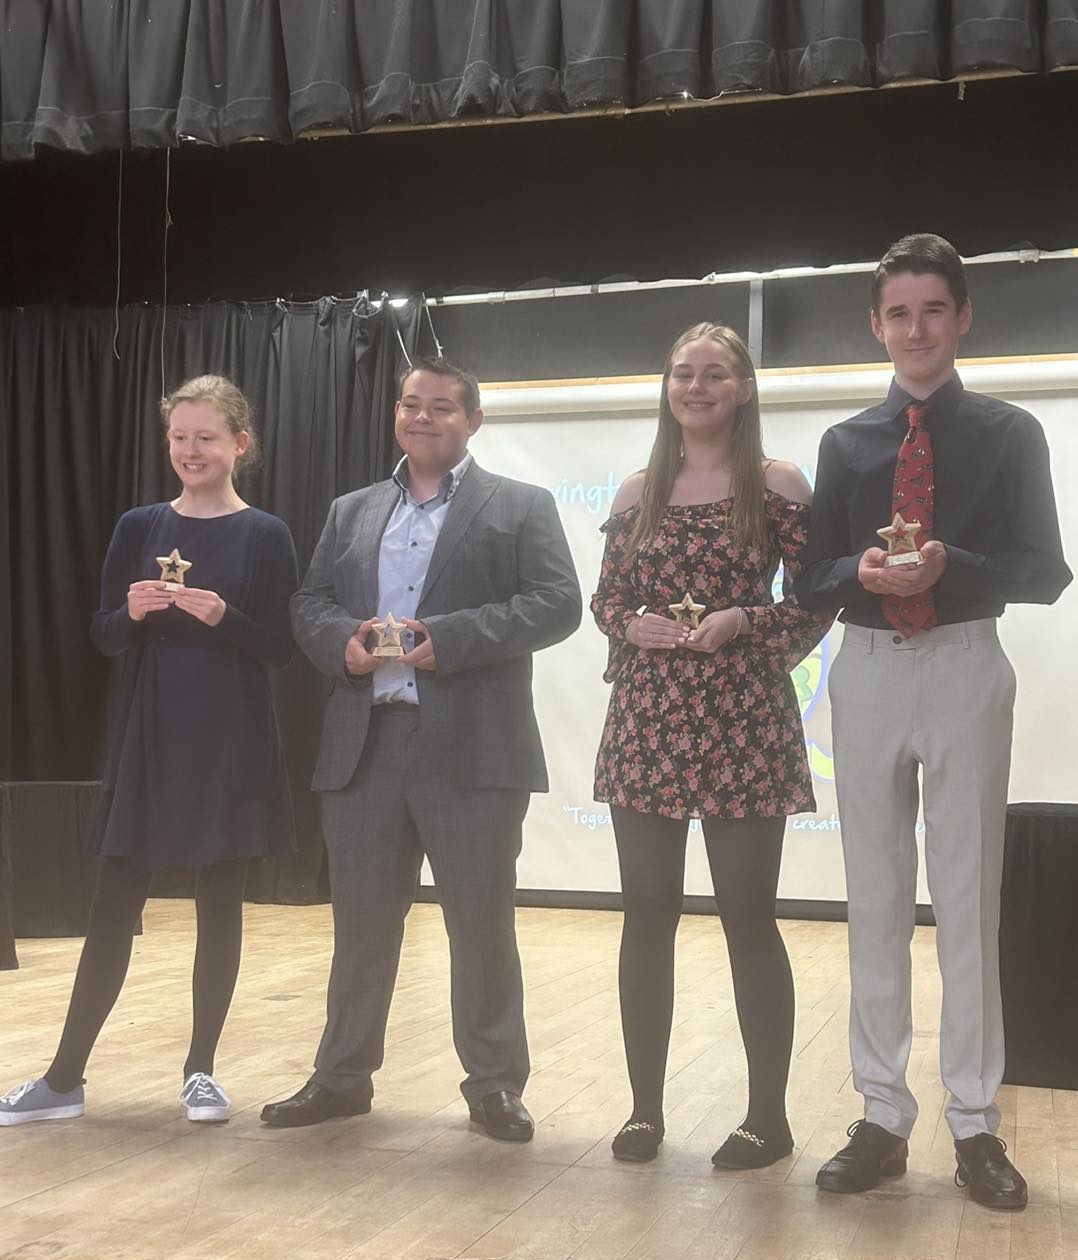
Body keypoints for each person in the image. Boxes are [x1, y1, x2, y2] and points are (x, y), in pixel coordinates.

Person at [796, 234, 1072, 1209]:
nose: (916, 329)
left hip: (963, 662)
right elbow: (811, 576)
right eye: (898, 313)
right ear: (876, 326)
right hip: (868, 667)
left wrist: (955, 563)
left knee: (967, 900)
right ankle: (881, 1115)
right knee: (873, 902)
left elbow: (1045, 571)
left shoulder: (1008, 433)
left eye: (932, 310)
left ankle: (974, 1123)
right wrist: (860, 572)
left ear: (962, 318)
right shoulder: (845, 445)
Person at [262, 355, 581, 1141]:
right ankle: (342, 1078)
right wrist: (343, 642)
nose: (422, 417)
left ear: (473, 421)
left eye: (441, 406)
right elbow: (310, 602)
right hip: (365, 743)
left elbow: (558, 603)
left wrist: (452, 638)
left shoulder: (521, 504)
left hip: (473, 748)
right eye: (411, 403)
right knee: (360, 928)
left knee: (480, 926)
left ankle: (494, 1085)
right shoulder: (352, 510)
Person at [0, 375, 298, 1128]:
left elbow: (280, 647)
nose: (191, 451)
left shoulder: (265, 534)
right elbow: (103, 633)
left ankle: (201, 1071)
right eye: (179, 437)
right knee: (113, 902)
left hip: (229, 735)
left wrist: (225, 617)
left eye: (206, 437)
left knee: (219, 904)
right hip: (151, 730)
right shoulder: (140, 524)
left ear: (239, 443)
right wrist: (129, 613)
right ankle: (63, 1078)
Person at [592, 323, 830, 1167]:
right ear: (667, 387)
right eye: (682, 374)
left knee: (748, 917)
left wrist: (744, 622)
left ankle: (768, 1117)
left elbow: (817, 600)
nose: (695, 387)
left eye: (714, 374)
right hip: (648, 717)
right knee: (646, 914)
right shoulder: (636, 492)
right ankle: (643, 1111)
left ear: (744, 388)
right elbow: (605, 602)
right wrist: (633, 624)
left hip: (744, 718)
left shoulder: (777, 482)